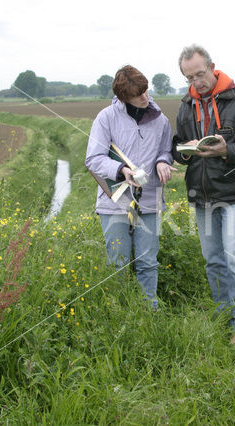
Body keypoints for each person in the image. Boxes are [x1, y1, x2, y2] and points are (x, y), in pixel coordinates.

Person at [172, 44, 235, 332]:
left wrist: (228, 150)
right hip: (200, 194)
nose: (196, 82)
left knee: (234, 256)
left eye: (200, 75)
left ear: (212, 67)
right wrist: (184, 152)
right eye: (189, 78)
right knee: (213, 260)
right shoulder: (185, 106)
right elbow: (178, 147)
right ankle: (223, 316)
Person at [85, 65, 176, 310]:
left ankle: (150, 313)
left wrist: (163, 162)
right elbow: (93, 159)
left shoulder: (161, 120)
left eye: (146, 91)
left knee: (148, 262)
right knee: (118, 263)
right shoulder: (106, 118)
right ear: (124, 98)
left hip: (149, 201)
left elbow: (166, 150)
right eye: (138, 95)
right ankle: (121, 314)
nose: (145, 98)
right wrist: (121, 171)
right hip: (114, 204)